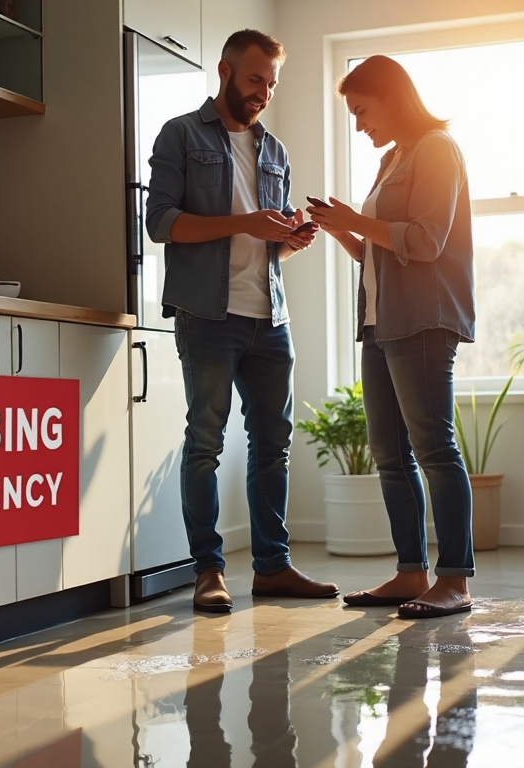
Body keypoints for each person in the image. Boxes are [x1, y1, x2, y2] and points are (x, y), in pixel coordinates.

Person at [145, 29, 338, 613]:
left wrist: (287, 241)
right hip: (208, 315)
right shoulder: (181, 134)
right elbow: (161, 223)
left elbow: (264, 243)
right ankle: (208, 571)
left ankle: (273, 568)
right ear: (225, 70)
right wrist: (245, 223)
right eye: (256, 79)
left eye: (272, 84)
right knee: (205, 443)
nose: (264, 93)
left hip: (270, 317)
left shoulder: (274, 150)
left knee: (273, 446)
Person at [307, 55, 476, 619]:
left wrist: (355, 221)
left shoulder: (437, 149)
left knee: (434, 447)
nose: (359, 125)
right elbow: (379, 251)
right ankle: (410, 572)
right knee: (388, 452)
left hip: (424, 319)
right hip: (380, 322)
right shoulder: (392, 159)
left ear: (391, 97)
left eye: (362, 111)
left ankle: (454, 580)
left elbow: (426, 241)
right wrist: (340, 230)